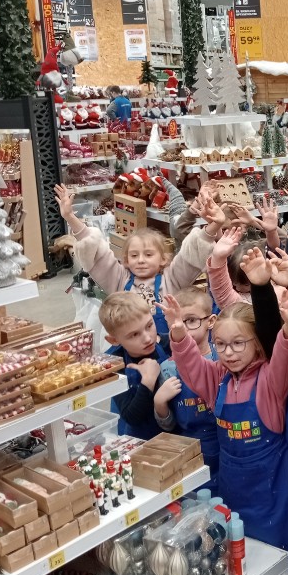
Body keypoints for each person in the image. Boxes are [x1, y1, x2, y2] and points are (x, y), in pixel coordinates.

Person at [159, 256, 288, 575]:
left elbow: (285, 355)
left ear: (257, 342)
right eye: (221, 345)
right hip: (233, 486)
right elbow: (191, 366)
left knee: (279, 560)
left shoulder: (270, 379)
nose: (228, 353)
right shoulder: (217, 378)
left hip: (272, 491)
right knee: (244, 556)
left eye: (238, 343)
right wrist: (178, 333)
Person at [55, 184, 225, 348]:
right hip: (129, 352)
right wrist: (70, 217)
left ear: (163, 259)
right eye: (134, 255)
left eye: (149, 254)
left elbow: (192, 252)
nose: (141, 260)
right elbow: (95, 250)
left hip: (166, 350)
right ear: (126, 260)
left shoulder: (172, 279)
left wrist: (215, 225)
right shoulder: (119, 279)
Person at [156, 286, 219, 489]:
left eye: (191, 320)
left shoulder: (223, 360)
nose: (182, 328)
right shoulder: (168, 368)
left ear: (211, 321)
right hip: (190, 452)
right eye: (176, 321)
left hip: (225, 447)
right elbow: (169, 426)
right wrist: (159, 403)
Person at [99, 292, 170, 440]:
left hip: (177, 435)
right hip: (141, 442)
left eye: (149, 325)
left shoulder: (169, 344)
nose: (147, 338)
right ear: (114, 340)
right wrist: (148, 382)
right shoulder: (114, 366)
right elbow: (131, 417)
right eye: (134, 335)